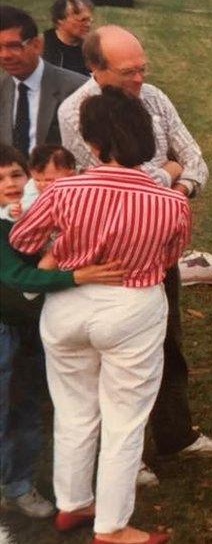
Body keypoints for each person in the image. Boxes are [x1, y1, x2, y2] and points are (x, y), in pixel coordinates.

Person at [10, 86, 189, 544]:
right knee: (124, 418)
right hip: (133, 305)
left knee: (72, 409)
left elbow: (22, 242)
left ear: (89, 141)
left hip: (68, 303)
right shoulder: (169, 201)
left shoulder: (64, 190)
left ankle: (73, 502)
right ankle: (112, 526)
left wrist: (64, 258)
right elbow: (171, 256)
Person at [59, 25, 212, 481]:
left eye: (142, 68)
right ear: (94, 69)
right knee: (113, 361)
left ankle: (176, 436)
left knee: (168, 344)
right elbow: (117, 183)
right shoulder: (75, 111)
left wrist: (177, 177)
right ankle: (124, 457)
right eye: (127, 72)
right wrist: (167, 174)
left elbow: (195, 159)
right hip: (106, 261)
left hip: (156, 250)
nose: (139, 79)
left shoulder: (154, 97)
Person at [0, 143, 124, 519]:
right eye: (0, 178)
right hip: (5, 327)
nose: (9, 184)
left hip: (34, 328)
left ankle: (19, 484)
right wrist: (75, 275)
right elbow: (16, 275)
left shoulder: (32, 213)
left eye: (16, 175)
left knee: (29, 406)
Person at [0, 6, 87, 156]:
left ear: (37, 44)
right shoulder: (3, 89)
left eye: (14, 46)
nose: (5, 55)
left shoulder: (77, 90)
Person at [42, 0, 93, 76]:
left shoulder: (91, 48)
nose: (88, 25)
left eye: (89, 20)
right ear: (60, 20)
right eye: (82, 20)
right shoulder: (42, 47)